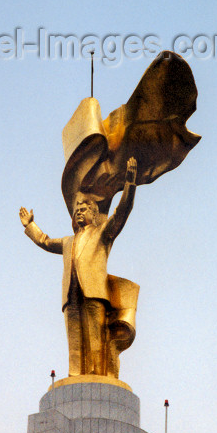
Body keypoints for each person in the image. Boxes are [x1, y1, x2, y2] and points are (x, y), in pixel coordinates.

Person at [20, 157, 138, 377]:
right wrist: (30, 226)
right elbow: (45, 241)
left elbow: (121, 213)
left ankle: (95, 374)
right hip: (71, 297)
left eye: (84, 208)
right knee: (74, 342)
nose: (79, 211)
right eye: (76, 210)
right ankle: (75, 375)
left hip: (94, 293)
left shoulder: (103, 234)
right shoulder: (67, 241)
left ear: (94, 214)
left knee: (96, 338)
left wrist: (130, 184)